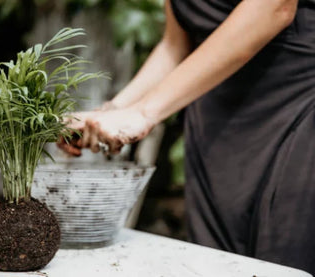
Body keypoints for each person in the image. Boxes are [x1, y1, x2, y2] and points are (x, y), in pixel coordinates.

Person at [58, 0, 315, 274]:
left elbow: (272, 10)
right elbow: (175, 46)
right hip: (216, 130)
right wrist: (111, 112)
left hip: (295, 109)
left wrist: (144, 113)